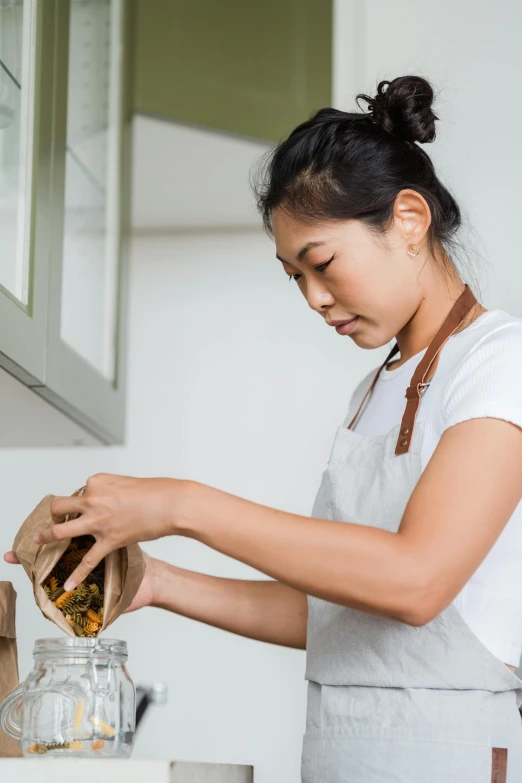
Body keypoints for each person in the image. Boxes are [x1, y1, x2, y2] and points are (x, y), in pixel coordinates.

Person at [6, 75, 522, 782]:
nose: (314, 298)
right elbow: (336, 620)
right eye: (294, 277)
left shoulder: (500, 362)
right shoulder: (370, 394)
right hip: (342, 757)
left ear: (408, 218)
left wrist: (180, 504)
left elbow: (416, 579)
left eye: (323, 264)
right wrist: (153, 578)